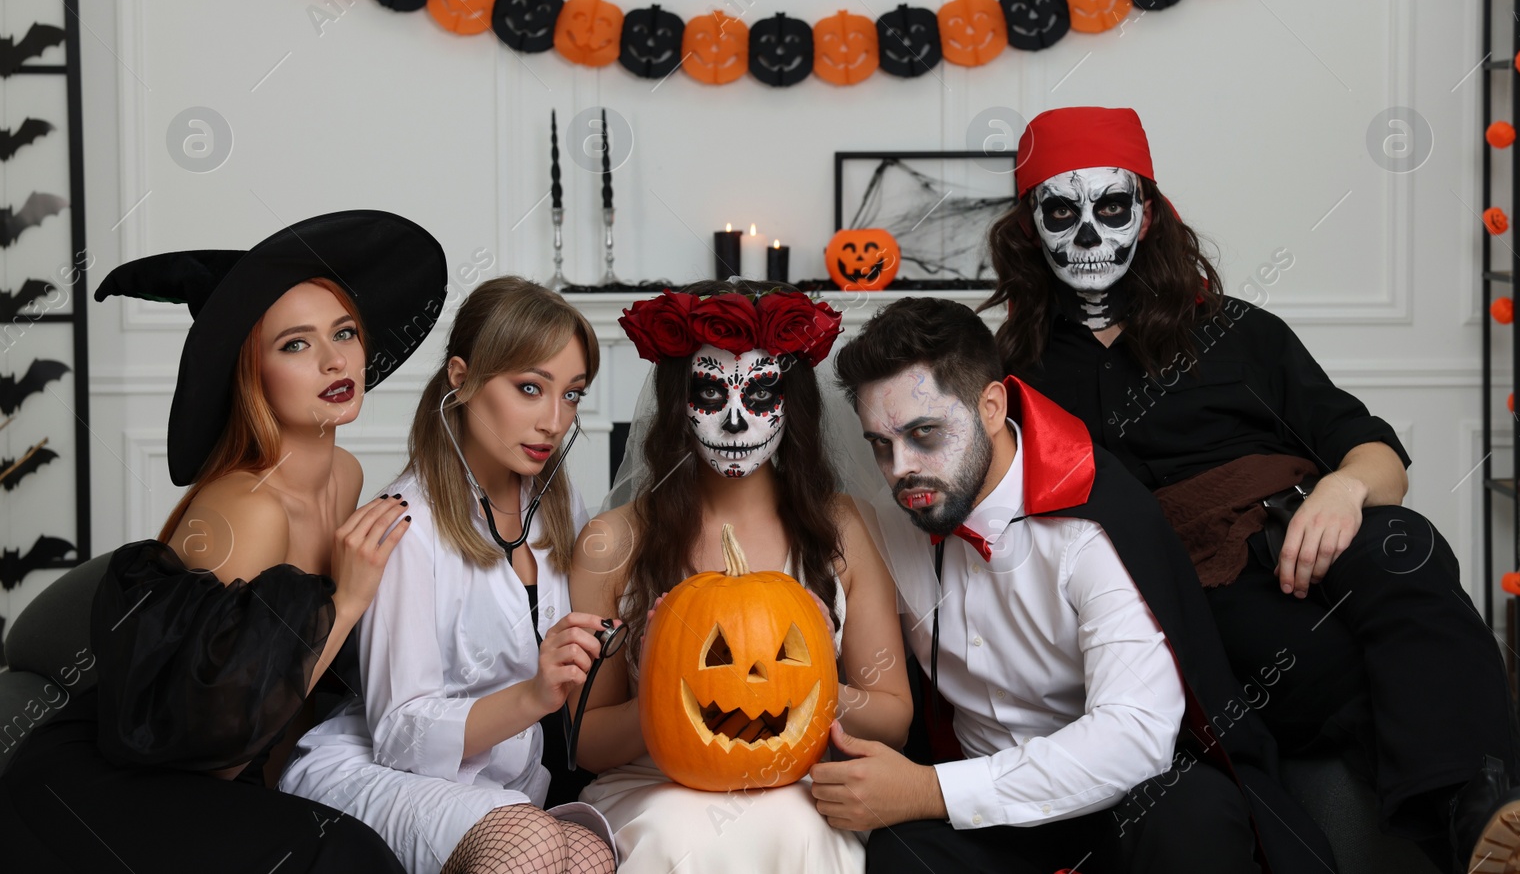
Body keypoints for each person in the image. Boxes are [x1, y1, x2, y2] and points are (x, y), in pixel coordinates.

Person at [985, 105, 1520, 874]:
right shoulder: (1013, 373)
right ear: (1030, 227)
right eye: (1061, 211)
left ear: (1145, 215)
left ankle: (1489, 821)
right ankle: (1484, 816)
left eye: (1110, 206)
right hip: (1184, 592)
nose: (1088, 233)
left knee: (1407, 545)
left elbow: (1380, 458)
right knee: (1331, 661)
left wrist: (1342, 489)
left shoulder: (1240, 331)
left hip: (1308, 531)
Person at [0, 210, 447, 872]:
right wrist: (346, 603)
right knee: (347, 853)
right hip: (111, 788)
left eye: (345, 331)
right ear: (251, 370)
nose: (334, 358)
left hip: (217, 770)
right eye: (295, 344)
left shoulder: (344, 473)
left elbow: (287, 699)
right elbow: (216, 752)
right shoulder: (247, 509)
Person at [828, 296, 1337, 874]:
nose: (901, 469)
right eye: (880, 445)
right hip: (992, 822)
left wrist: (931, 791)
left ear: (991, 406)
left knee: (1189, 814)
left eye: (924, 433)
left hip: (1128, 805)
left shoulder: (1093, 522)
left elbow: (1133, 737)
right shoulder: (888, 521)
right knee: (903, 855)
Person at [570, 280, 913, 873]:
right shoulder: (612, 540)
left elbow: (894, 716)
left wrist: (801, 688)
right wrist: (667, 692)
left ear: (793, 404)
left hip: (798, 781)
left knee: (795, 825)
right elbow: (585, 740)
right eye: (709, 392)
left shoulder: (843, 526)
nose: (734, 421)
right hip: (654, 788)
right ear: (679, 401)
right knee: (679, 833)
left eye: (760, 395)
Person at [280, 276, 616, 874]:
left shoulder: (562, 513)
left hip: (495, 787)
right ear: (460, 379)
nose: (554, 420)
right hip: (375, 772)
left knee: (591, 852)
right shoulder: (404, 526)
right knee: (533, 845)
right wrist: (535, 695)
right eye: (531, 389)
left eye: (572, 395)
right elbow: (400, 734)